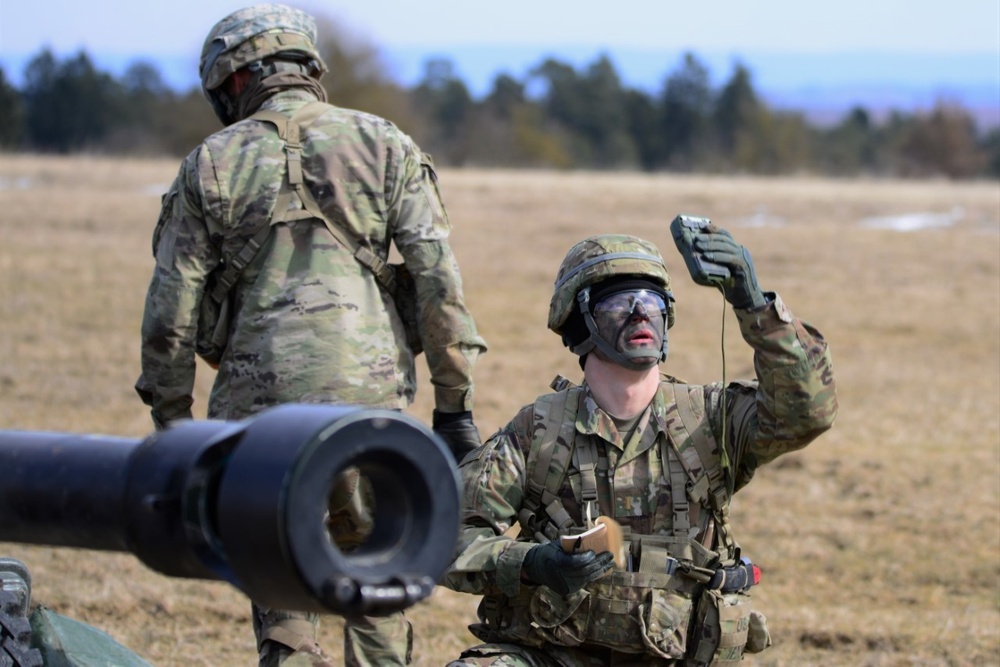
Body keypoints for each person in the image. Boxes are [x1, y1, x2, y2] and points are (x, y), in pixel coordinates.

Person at [134, 5, 487, 667]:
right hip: (372, 408)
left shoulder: (209, 164)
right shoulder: (385, 144)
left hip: (258, 424)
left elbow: (169, 317)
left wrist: (173, 425)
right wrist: (454, 406)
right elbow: (439, 281)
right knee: (378, 583)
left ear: (232, 83)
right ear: (307, 67)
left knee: (282, 590)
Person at [442, 228, 837, 666]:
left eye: (651, 305)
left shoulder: (711, 419)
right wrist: (534, 562)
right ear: (580, 323)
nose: (639, 316)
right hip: (551, 656)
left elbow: (807, 412)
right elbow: (447, 538)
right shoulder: (538, 431)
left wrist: (755, 304)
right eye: (619, 305)